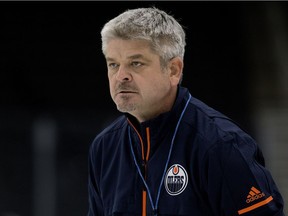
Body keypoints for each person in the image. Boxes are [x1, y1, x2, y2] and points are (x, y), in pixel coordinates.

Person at [87, 7, 285, 216]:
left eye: (136, 63)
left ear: (173, 70)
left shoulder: (220, 144)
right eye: (113, 64)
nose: (121, 76)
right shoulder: (104, 148)